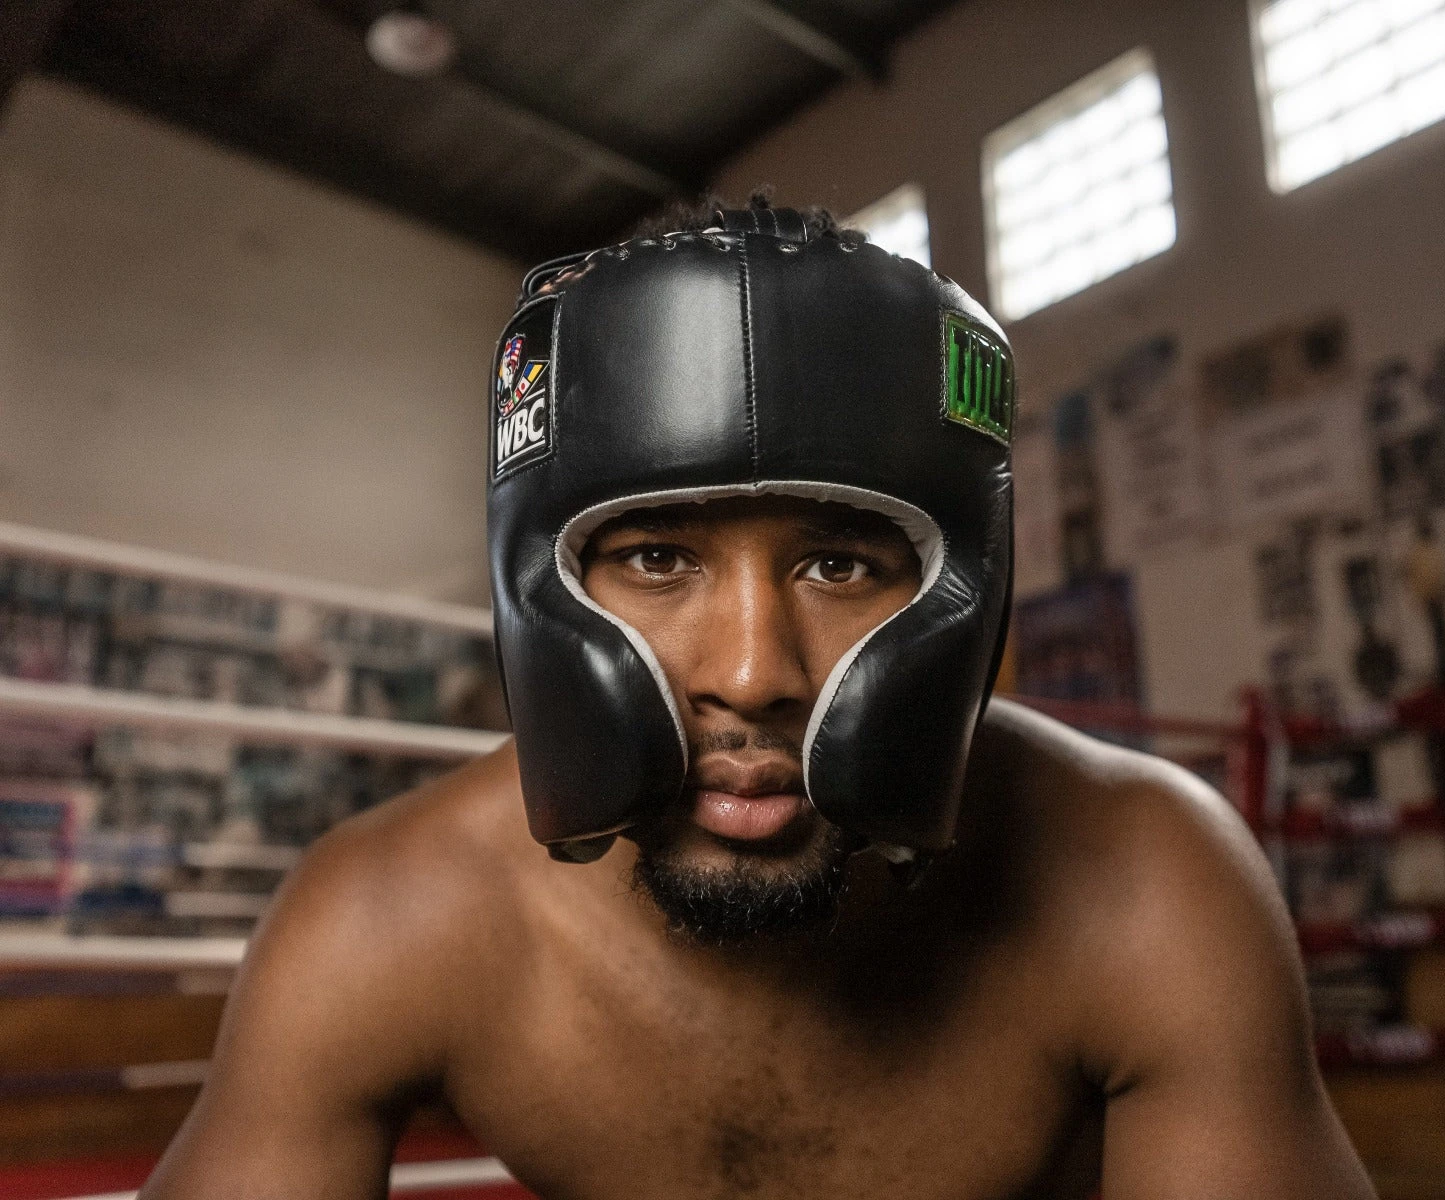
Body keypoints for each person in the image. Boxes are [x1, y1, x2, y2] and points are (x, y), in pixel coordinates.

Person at [141, 199, 1376, 1199]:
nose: (753, 672)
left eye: (840, 563)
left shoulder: (1144, 887)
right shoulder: (389, 920)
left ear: (969, 593)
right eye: (657, 560)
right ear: (536, 588)